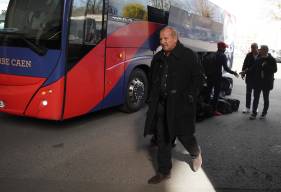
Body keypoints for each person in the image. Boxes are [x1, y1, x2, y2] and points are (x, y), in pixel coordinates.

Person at [144, 26, 203, 184]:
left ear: (175, 38)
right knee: (163, 138)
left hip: (181, 105)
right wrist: (152, 99)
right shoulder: (158, 58)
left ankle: (195, 153)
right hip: (163, 105)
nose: (162, 41)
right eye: (161, 39)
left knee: (185, 136)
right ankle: (164, 171)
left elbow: (198, 79)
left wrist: (190, 96)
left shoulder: (189, 56)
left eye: (166, 38)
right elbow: (152, 80)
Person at [204, 42, 239, 116]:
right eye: (225, 47)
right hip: (217, 77)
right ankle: (214, 110)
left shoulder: (212, 54)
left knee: (208, 92)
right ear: (221, 48)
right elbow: (226, 68)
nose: (225, 49)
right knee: (216, 94)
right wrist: (233, 73)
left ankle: (205, 108)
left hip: (209, 76)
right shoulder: (222, 56)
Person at [249, 45, 277, 120]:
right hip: (258, 82)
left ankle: (264, 113)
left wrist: (266, 66)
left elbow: (275, 70)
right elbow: (253, 67)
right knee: (256, 98)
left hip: (266, 82)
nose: (259, 50)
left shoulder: (271, 59)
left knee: (266, 98)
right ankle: (254, 113)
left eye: (261, 49)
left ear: (265, 50)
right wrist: (245, 71)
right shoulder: (258, 58)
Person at [240, 43, 259, 113]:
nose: (253, 49)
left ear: (257, 47)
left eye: (254, 48)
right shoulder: (249, 55)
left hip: (258, 78)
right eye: (252, 48)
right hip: (249, 77)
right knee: (248, 93)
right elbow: (244, 64)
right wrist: (243, 73)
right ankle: (247, 107)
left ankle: (255, 108)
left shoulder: (260, 55)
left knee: (256, 94)